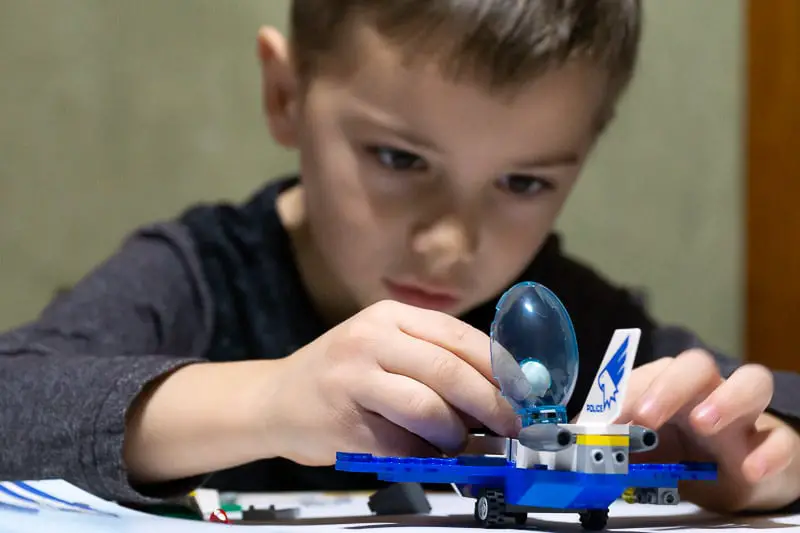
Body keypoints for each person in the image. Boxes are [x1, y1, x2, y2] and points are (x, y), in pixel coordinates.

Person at [1, 0, 798, 516]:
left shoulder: (554, 316)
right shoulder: (197, 274)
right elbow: (15, 397)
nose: (450, 241)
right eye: (399, 158)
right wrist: (270, 399)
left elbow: (765, 409)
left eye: (522, 180)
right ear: (285, 95)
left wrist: (756, 447)